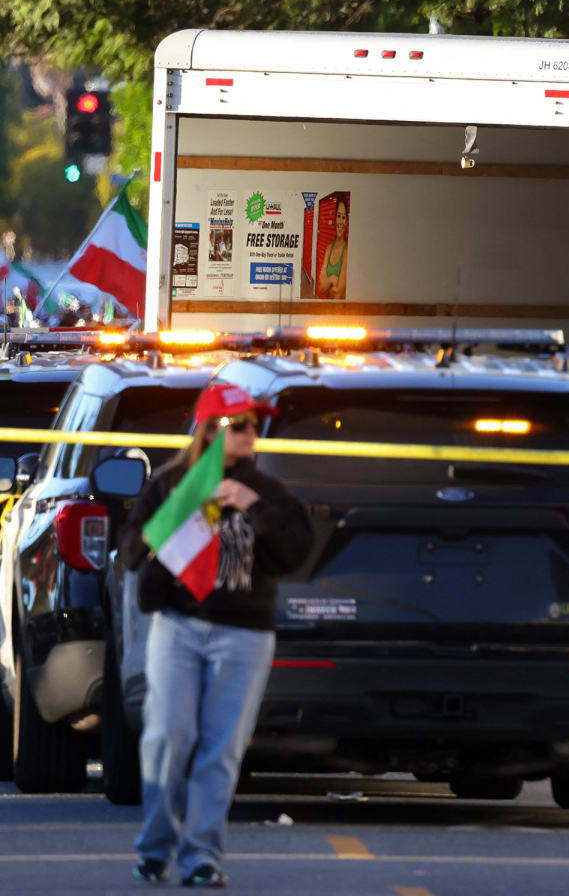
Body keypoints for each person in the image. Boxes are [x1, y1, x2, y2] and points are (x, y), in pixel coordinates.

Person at [118, 382, 313, 887]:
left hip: (244, 634)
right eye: (238, 425)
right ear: (208, 431)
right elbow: (131, 551)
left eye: (255, 424)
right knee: (167, 736)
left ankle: (202, 856)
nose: (251, 433)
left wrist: (252, 505)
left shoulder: (267, 490)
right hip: (178, 627)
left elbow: (297, 555)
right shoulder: (171, 484)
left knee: (221, 749)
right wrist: (182, 512)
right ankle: (155, 849)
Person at [317, 197, 349, 300]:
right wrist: (333, 279)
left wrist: (327, 284)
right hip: (326, 307)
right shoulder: (328, 249)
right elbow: (321, 288)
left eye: (343, 217)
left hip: (341, 309)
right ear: (335, 219)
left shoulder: (347, 252)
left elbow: (338, 294)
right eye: (338, 216)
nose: (340, 221)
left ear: (346, 222)